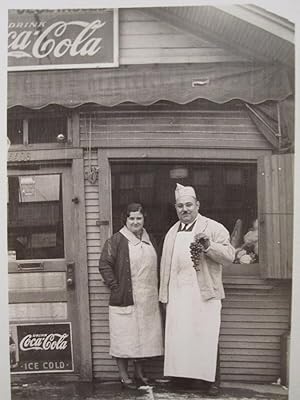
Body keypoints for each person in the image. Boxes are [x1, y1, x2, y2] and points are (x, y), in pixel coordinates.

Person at [159, 183, 235, 396]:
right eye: (181, 206)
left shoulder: (213, 227)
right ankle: (181, 380)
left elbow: (229, 256)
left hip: (204, 294)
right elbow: (165, 266)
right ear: (176, 208)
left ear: (198, 205)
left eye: (189, 205)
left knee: (206, 335)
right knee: (180, 336)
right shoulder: (171, 233)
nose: (185, 209)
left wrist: (209, 246)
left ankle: (210, 382)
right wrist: (163, 295)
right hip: (178, 293)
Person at [99, 203, 163, 389]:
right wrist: (116, 287)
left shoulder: (150, 240)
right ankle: (124, 375)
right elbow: (104, 265)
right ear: (125, 220)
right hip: (125, 298)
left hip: (147, 300)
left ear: (144, 219)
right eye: (131, 218)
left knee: (144, 339)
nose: (135, 222)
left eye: (139, 218)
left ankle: (140, 373)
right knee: (124, 337)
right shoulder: (116, 241)